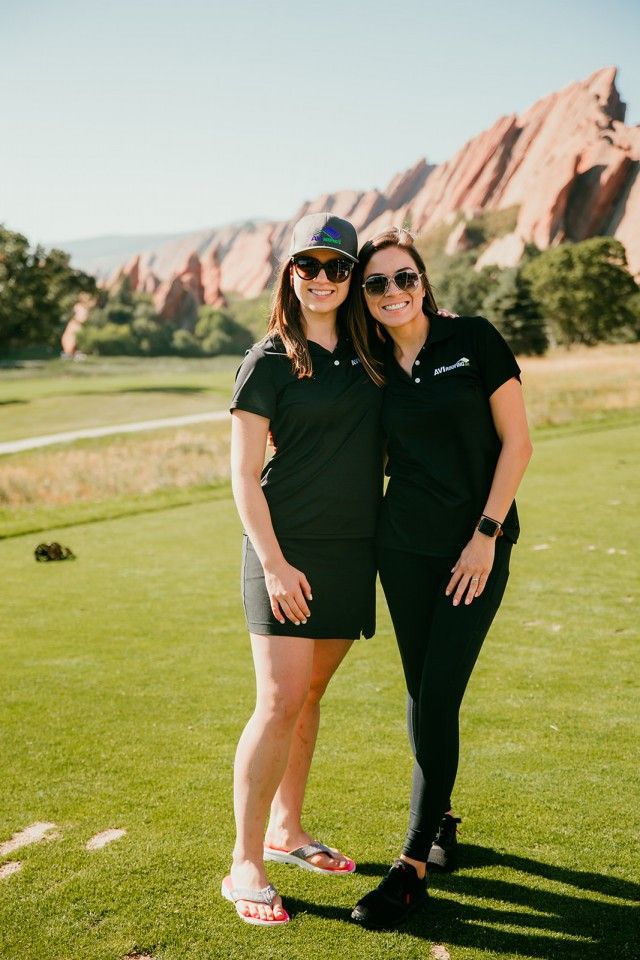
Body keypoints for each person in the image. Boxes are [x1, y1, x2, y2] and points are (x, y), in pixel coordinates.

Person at [350, 228, 533, 930]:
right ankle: (444, 822)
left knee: (439, 689)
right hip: (403, 549)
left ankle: (411, 867)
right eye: (378, 284)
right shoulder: (367, 366)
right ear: (365, 299)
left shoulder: (474, 340)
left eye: (404, 278)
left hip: (475, 548)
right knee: (422, 686)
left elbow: (517, 442)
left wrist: (485, 535)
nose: (394, 292)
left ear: (423, 282)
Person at [222, 213, 384, 926]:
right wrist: (275, 563)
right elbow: (243, 475)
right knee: (279, 700)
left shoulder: (371, 352)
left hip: (352, 553)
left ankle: (289, 830)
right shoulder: (268, 359)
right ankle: (246, 861)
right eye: (309, 266)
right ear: (291, 273)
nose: (323, 278)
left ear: (353, 278)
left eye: (337, 267)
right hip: (283, 552)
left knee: (311, 694)